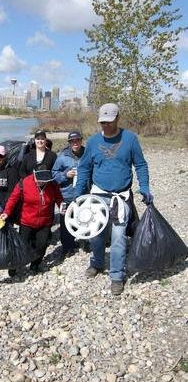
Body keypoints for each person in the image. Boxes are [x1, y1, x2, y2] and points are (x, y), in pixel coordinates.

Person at [74, 103, 151, 296]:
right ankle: (97, 263)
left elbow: (140, 165)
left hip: (121, 197)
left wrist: (145, 186)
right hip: (98, 195)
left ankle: (117, 275)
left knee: (118, 238)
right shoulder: (92, 142)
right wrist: (78, 194)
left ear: (117, 119)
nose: (106, 125)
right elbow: (84, 168)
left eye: (109, 121)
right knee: (96, 235)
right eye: (102, 122)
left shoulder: (130, 139)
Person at [1, 170, 63, 274]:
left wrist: (61, 206)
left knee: (42, 245)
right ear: (34, 174)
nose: (41, 182)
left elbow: (59, 198)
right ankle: (14, 266)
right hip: (27, 221)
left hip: (45, 222)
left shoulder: (52, 184)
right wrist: (6, 212)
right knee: (21, 245)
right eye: (39, 180)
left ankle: (35, 265)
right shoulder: (24, 183)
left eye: (44, 181)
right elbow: (13, 198)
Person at [52, 131, 86, 257]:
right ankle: (67, 247)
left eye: (77, 140)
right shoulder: (62, 157)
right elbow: (53, 174)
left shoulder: (87, 154)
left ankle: (84, 241)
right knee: (66, 221)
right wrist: (65, 175)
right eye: (72, 141)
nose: (75, 143)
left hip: (83, 194)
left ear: (81, 140)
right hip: (66, 194)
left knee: (83, 218)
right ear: (69, 143)